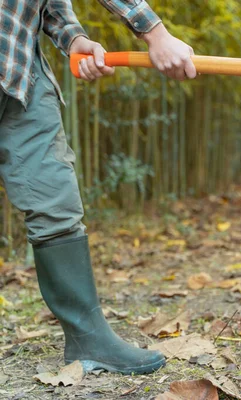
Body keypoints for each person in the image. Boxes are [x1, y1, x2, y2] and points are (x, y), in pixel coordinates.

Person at [0, 0, 197, 374]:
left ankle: (87, 338)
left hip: (18, 64)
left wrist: (71, 36)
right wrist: (155, 33)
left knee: (54, 195)